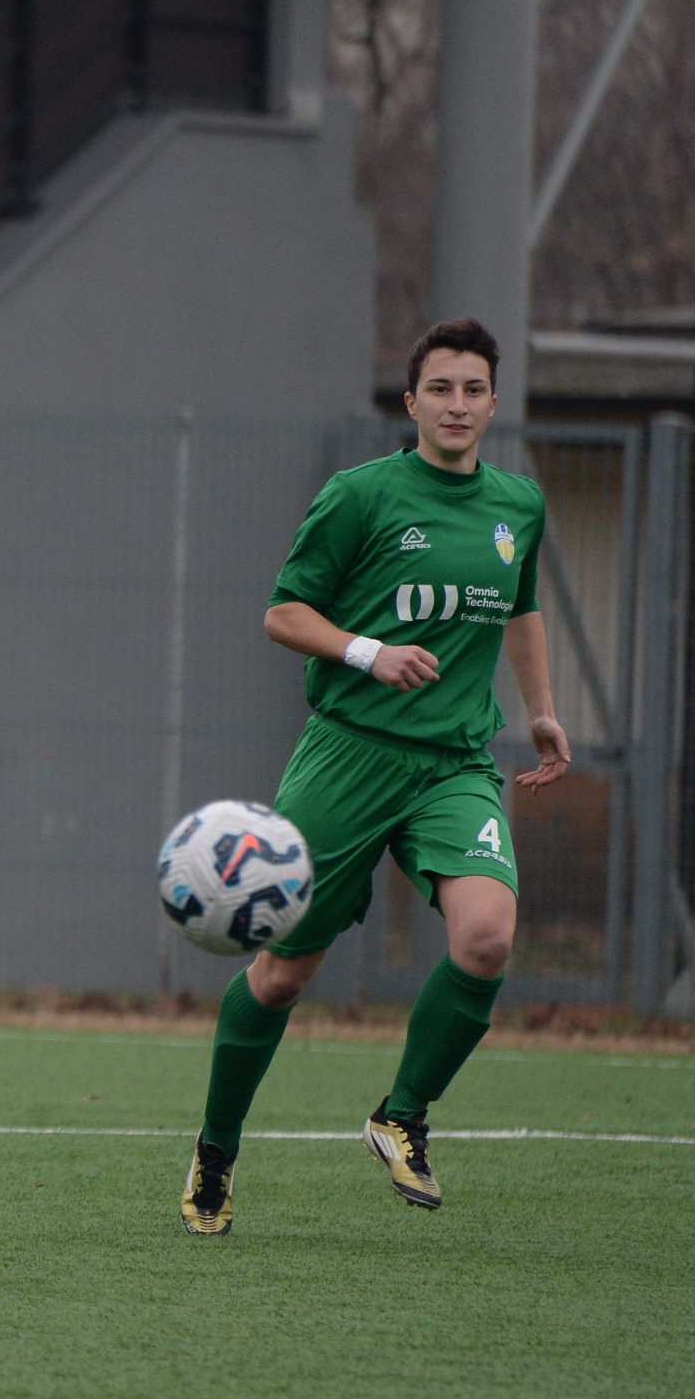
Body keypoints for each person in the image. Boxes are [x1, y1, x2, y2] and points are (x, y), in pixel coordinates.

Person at [182, 318, 569, 1235]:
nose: (458, 405)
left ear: (493, 401)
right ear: (412, 402)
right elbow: (284, 613)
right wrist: (368, 650)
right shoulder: (362, 496)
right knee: (281, 976)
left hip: (456, 764)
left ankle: (401, 1114)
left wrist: (543, 707)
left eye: (474, 389)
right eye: (441, 388)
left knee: (486, 939)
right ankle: (214, 1151)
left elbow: (522, 610)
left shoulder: (518, 504)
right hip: (350, 752)